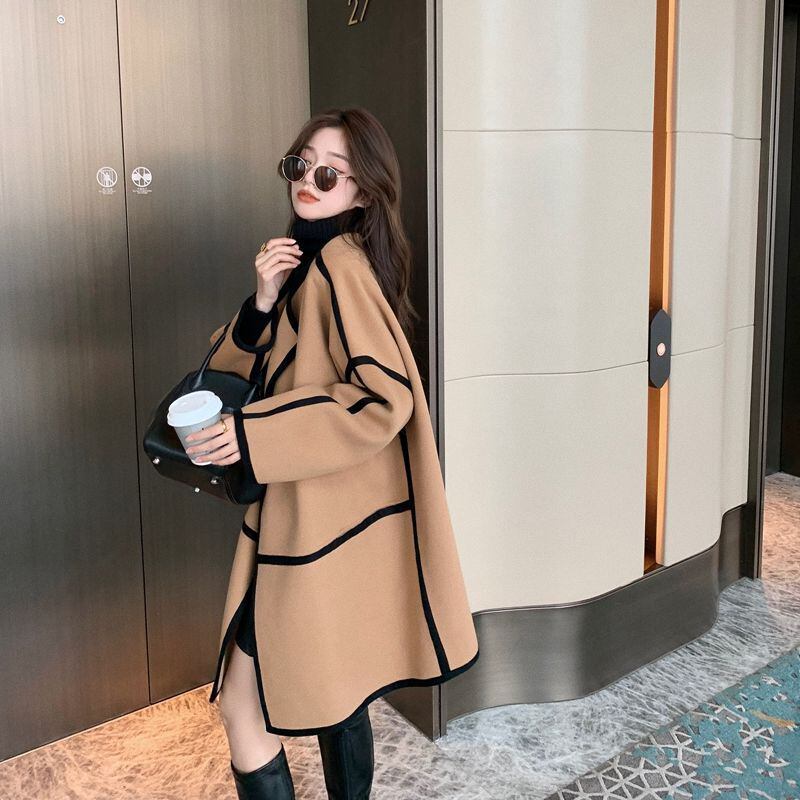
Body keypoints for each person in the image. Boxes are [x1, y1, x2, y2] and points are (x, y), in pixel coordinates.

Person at [184, 107, 480, 799]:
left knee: (245, 704)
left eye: (329, 173)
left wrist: (255, 436)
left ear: (364, 192)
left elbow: (384, 396)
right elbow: (247, 369)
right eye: (301, 164)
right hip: (317, 518)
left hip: (320, 520)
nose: (308, 181)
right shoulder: (307, 261)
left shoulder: (340, 265)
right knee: (336, 690)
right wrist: (262, 302)